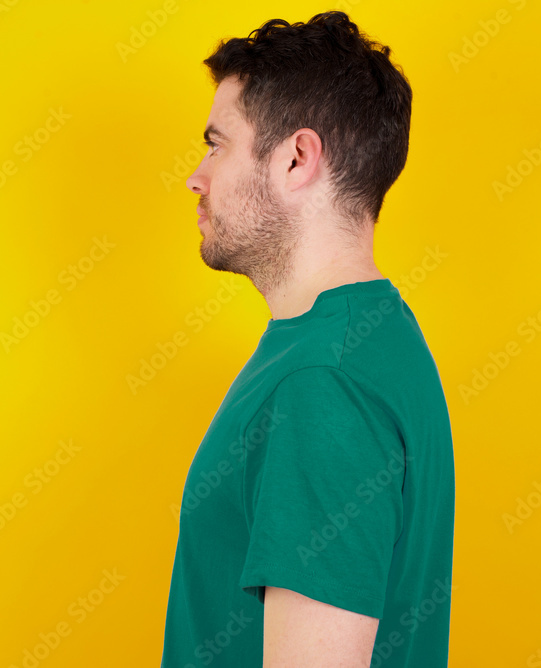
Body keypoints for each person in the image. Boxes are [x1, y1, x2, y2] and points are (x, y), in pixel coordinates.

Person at [161, 10, 455, 667]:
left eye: (217, 143)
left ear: (296, 158)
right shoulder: (370, 343)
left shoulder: (324, 384)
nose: (196, 177)